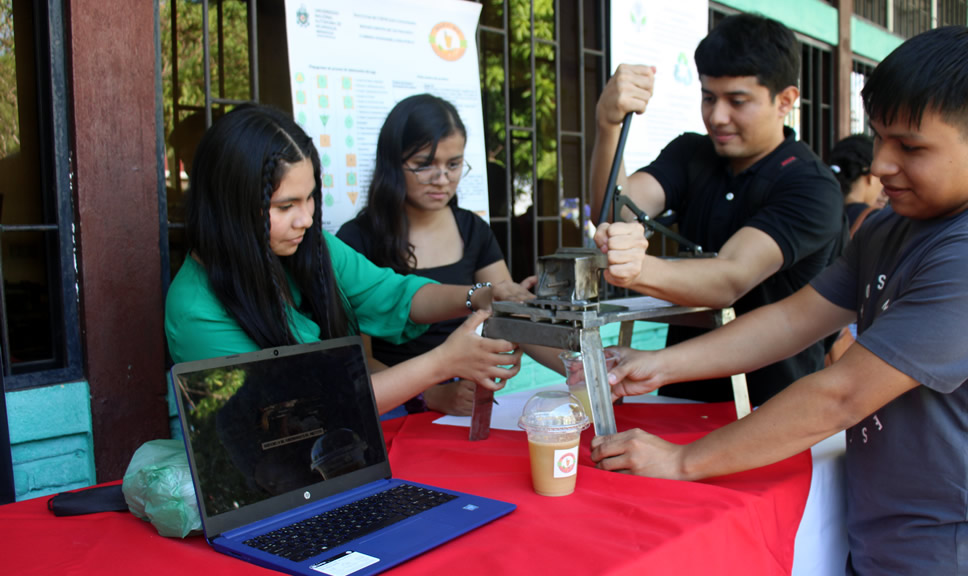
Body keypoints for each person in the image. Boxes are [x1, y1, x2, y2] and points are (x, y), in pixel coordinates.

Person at [592, 26, 968, 574]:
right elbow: (793, 319)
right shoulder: (893, 226)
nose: (881, 165)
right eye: (879, 137)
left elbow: (842, 394)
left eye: (910, 146)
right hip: (887, 536)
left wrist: (684, 460)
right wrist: (663, 365)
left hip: (961, 553)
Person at [165, 104, 532, 416]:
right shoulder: (197, 309)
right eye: (285, 206)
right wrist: (441, 365)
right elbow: (301, 410)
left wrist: (480, 295)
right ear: (230, 204)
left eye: (309, 199)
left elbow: (394, 294)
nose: (305, 218)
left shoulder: (313, 246)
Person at [589, 13, 846, 407]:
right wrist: (608, 125)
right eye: (709, 97)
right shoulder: (691, 153)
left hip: (771, 408)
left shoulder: (809, 185)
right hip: (680, 399)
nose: (717, 116)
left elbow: (731, 278)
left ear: (786, 101)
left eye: (737, 101)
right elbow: (615, 210)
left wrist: (638, 268)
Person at [337, 94, 558, 416]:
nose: (442, 179)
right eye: (424, 164)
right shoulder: (355, 241)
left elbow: (511, 315)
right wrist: (433, 394)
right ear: (392, 162)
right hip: (393, 404)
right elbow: (358, 360)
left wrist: (587, 367)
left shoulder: (473, 230)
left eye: (453, 164)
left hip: (464, 400)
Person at [828, 134, 885, 233]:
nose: (883, 186)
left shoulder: (822, 211)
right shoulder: (875, 220)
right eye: (881, 177)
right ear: (871, 177)